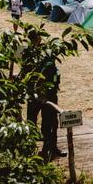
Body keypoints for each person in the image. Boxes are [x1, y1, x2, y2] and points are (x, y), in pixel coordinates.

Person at [21, 30, 65, 161]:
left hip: (49, 92)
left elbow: (54, 69)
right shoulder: (26, 52)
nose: (38, 41)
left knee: (51, 121)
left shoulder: (48, 51)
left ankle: (51, 148)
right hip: (34, 92)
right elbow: (20, 66)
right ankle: (29, 149)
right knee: (32, 121)